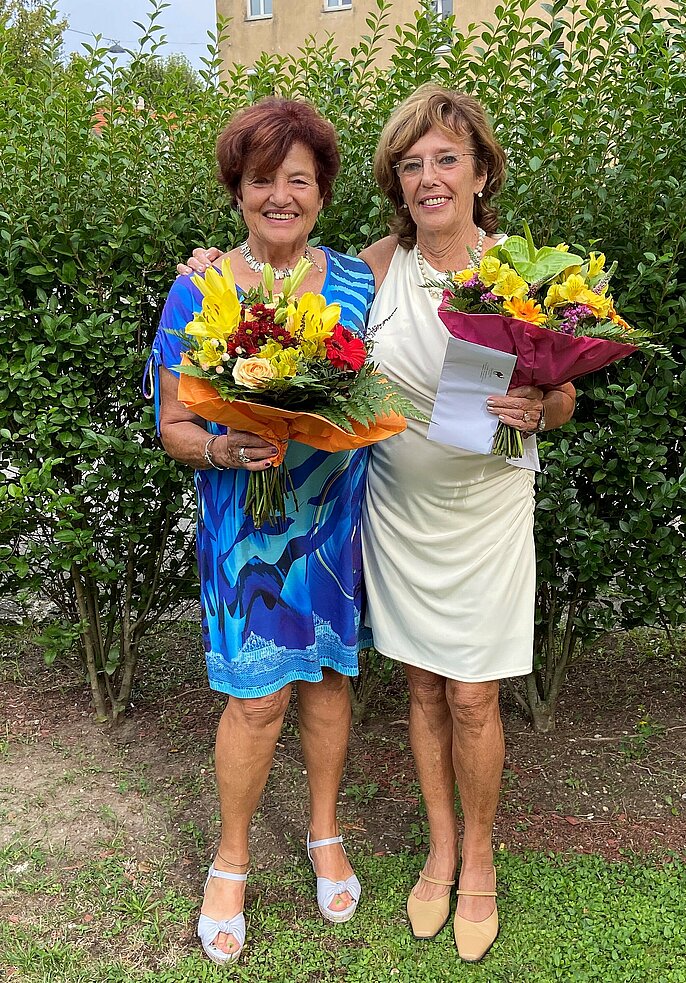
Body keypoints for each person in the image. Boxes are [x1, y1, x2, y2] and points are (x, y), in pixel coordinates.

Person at [180, 84, 575, 964]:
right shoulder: (372, 268)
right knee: (424, 690)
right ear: (395, 182)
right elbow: (282, 310)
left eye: (446, 159)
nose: (429, 177)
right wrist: (210, 268)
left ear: (480, 172)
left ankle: (478, 860)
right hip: (392, 506)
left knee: (472, 693)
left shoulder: (518, 272)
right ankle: (437, 853)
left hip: (485, 509)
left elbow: (561, 396)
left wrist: (540, 408)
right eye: (410, 164)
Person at [148, 97, 373, 965]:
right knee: (256, 698)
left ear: (322, 193)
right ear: (237, 191)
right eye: (261, 179)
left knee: (327, 681)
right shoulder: (199, 287)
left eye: (298, 180)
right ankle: (231, 859)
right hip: (244, 528)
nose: (280, 195)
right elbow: (173, 424)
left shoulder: (356, 282)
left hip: (331, 522)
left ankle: (324, 833)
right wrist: (221, 446)